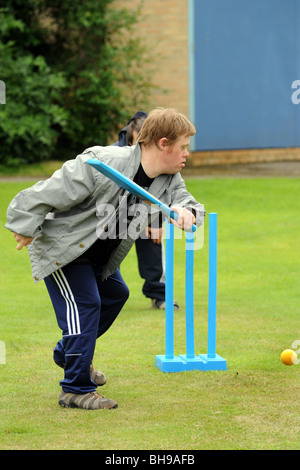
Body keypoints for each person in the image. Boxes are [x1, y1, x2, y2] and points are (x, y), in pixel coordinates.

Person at [5, 108, 205, 410]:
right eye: (184, 146)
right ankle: (75, 389)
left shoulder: (169, 178)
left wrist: (189, 213)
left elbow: (188, 203)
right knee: (86, 304)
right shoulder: (103, 163)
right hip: (66, 249)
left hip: (100, 260)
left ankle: (69, 353)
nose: (187, 154)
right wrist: (24, 225)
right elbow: (49, 189)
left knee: (116, 295)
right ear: (163, 143)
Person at [116, 111, 178, 310]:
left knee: (153, 241)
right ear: (129, 138)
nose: (139, 150)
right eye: (135, 144)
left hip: (147, 212)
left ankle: (160, 295)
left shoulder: (162, 161)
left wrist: (159, 224)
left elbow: (164, 192)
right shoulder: (114, 155)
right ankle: (97, 294)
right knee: (104, 250)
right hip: (113, 211)